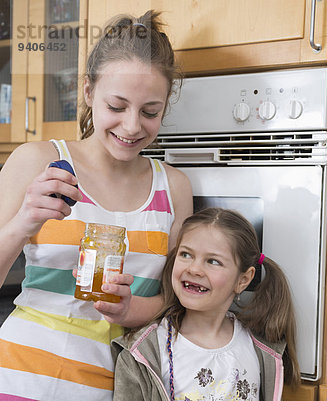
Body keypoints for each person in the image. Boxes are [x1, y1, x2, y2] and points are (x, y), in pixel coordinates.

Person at [0, 10, 193, 400]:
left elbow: (179, 301)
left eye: (150, 111)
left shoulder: (174, 188)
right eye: (117, 107)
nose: (133, 126)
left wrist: (130, 311)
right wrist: (23, 222)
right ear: (88, 91)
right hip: (20, 378)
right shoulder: (37, 161)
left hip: (117, 387)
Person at [111, 207, 300, 401]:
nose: (194, 269)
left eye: (213, 261)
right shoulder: (142, 353)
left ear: (243, 280)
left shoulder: (261, 348)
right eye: (186, 254)